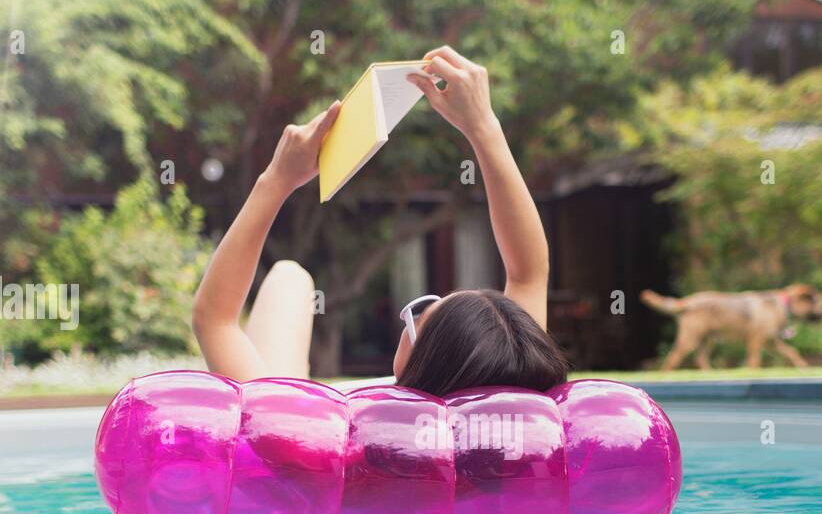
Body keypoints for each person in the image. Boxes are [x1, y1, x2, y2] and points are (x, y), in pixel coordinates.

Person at [192, 45, 567, 394]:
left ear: (417, 360)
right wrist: (482, 125)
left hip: (290, 403)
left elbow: (214, 319)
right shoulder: (520, 393)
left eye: (420, 312)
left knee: (287, 278)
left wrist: (275, 179)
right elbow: (528, 273)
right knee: (289, 277)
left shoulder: (303, 430)